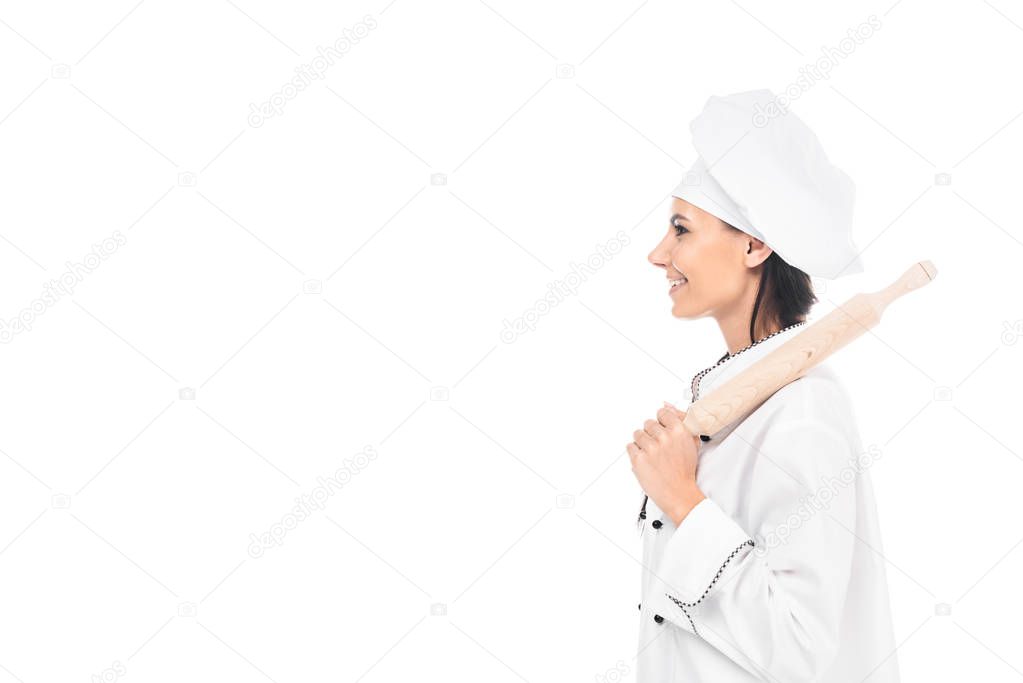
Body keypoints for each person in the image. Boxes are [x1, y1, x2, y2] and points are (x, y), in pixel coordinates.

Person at [628, 90, 900, 682]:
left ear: (754, 245)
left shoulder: (803, 415)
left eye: (680, 230)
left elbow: (801, 651)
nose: (657, 254)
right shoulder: (739, 398)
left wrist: (682, 499)